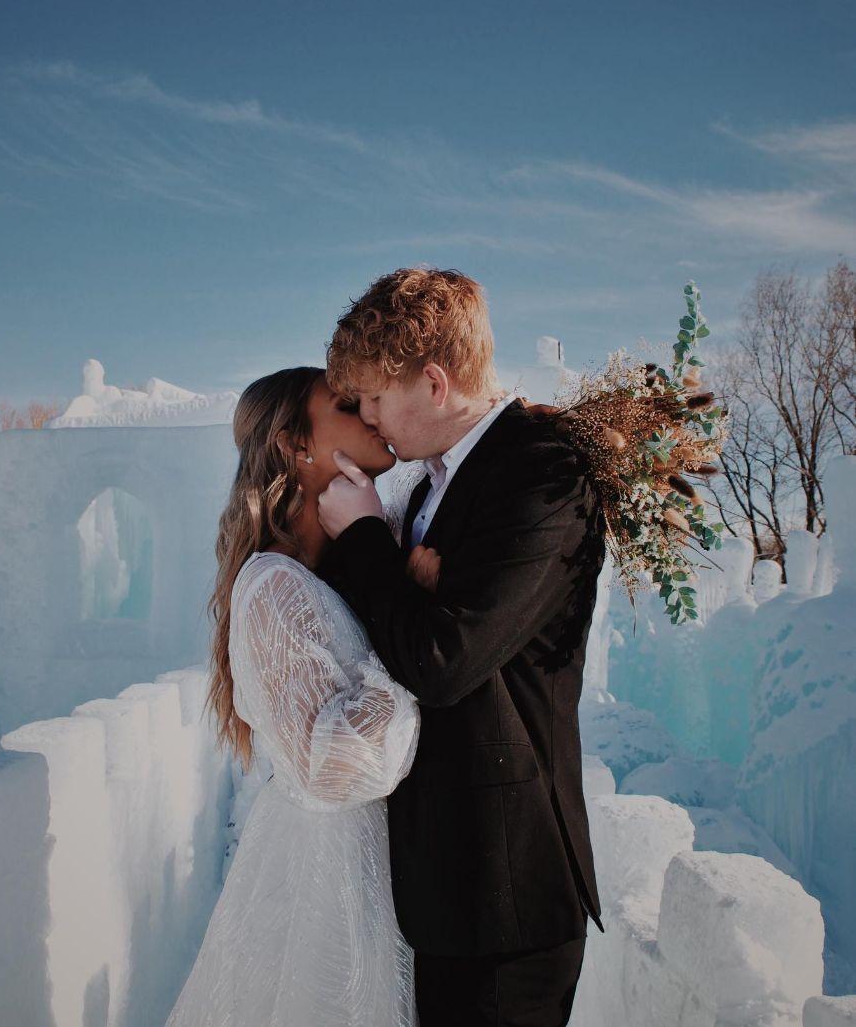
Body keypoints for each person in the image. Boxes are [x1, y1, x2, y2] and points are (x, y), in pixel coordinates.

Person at [318, 267, 608, 1027]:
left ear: (434, 382)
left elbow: (441, 663)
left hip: (507, 897)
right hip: (444, 886)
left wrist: (363, 538)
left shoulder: (544, 471)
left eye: (373, 397)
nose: (367, 417)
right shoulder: (428, 486)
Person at [164, 366, 422, 1027]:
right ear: (294, 444)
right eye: (346, 405)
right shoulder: (272, 585)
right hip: (328, 889)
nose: (371, 412)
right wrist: (412, 655)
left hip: (370, 870)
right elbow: (330, 766)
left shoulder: (334, 563)